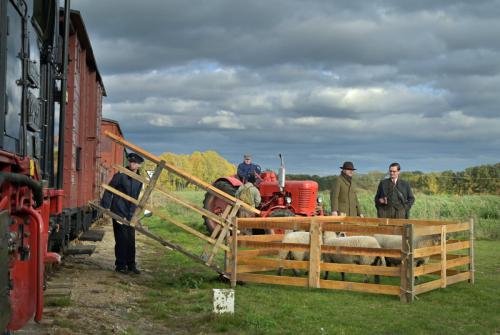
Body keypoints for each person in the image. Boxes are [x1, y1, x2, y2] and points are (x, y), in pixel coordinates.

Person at [101, 152, 144, 274]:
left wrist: (135, 214)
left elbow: (136, 197)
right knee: (121, 239)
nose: (132, 164)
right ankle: (120, 265)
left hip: (131, 213)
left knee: (131, 239)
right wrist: (105, 207)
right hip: (119, 211)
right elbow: (109, 190)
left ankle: (131, 265)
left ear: (139, 165)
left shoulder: (139, 180)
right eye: (131, 162)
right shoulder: (120, 176)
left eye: (135, 163)